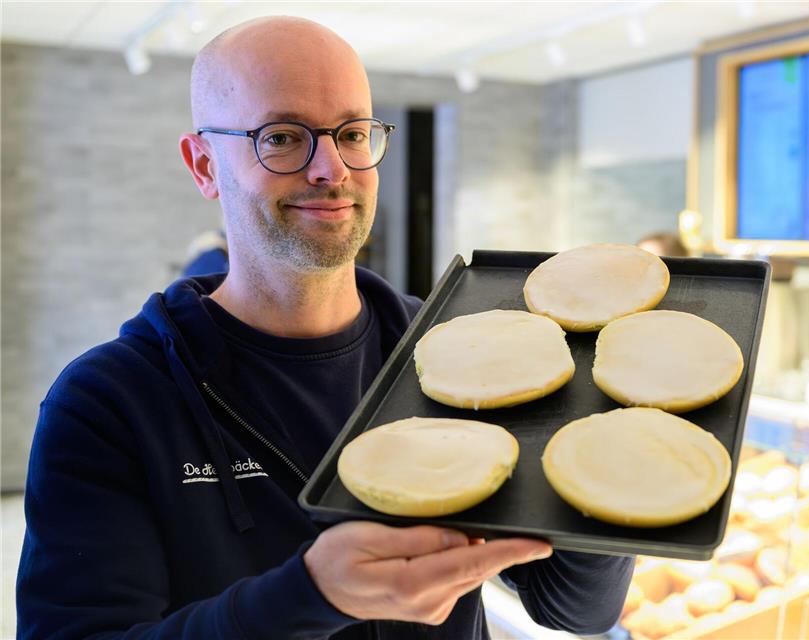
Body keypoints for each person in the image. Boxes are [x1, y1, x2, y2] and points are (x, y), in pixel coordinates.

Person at [16, 17, 633, 639]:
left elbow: (574, 610)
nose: (331, 169)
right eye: (282, 137)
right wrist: (306, 598)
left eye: (352, 133)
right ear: (203, 165)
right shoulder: (109, 403)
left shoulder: (455, 351)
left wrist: (603, 464)